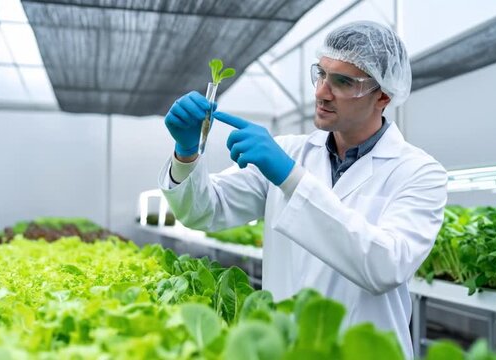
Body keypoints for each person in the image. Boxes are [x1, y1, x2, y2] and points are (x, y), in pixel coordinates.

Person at [158, 20, 447, 358]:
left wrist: (289, 177)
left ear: (382, 95)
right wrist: (187, 152)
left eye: (342, 82)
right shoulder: (291, 152)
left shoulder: (419, 172)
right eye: (321, 74)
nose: (322, 92)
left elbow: (385, 266)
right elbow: (204, 210)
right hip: (288, 348)